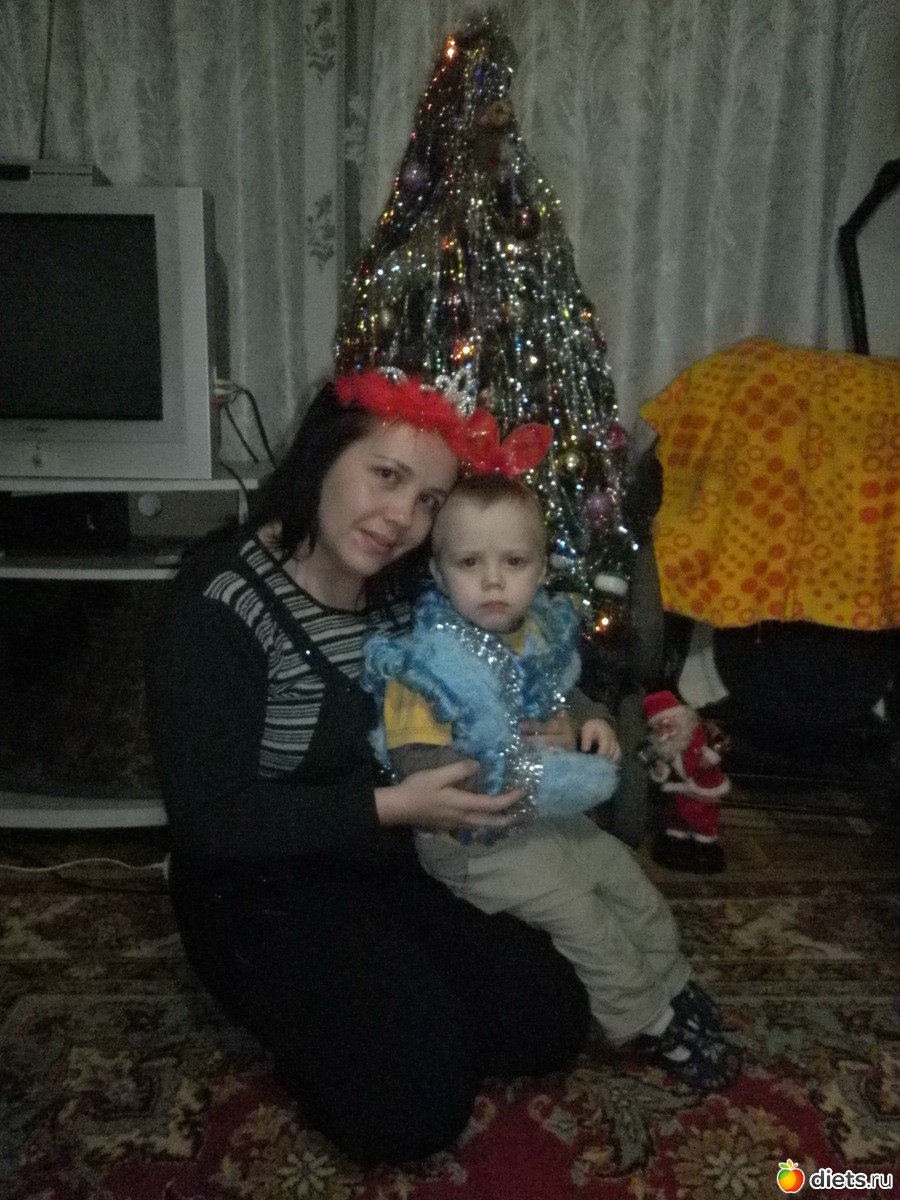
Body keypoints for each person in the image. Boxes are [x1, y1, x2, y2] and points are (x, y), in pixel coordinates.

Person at [145, 369, 594, 1167]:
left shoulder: (409, 595)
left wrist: (567, 720)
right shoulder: (218, 604)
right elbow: (210, 822)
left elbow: (522, 656)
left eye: (428, 501)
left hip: (385, 858)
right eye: (385, 476)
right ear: (324, 457)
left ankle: (400, 1006)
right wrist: (392, 808)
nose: (401, 520)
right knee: (411, 1109)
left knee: (551, 1017)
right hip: (254, 884)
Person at [363, 471, 741, 1092]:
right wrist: (503, 768)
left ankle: (671, 979)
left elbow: (568, 694)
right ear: (438, 573)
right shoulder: (429, 663)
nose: (492, 580)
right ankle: (647, 1019)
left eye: (513, 562)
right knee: (580, 914)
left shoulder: (538, 633)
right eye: (469, 562)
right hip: (473, 841)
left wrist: (590, 723)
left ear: (540, 571)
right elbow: (415, 762)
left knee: (623, 877)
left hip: (544, 813)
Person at [643, 690, 730, 873]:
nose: (664, 730)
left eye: (667, 723)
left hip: (704, 788)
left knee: (702, 821)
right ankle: (678, 845)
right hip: (679, 792)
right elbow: (664, 768)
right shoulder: (664, 746)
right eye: (659, 727)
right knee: (676, 819)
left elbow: (721, 742)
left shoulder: (701, 731)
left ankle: (703, 849)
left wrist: (712, 755)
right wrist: (660, 772)